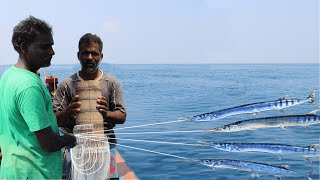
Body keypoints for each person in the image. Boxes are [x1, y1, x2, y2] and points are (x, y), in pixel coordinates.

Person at [0, 16, 77, 179]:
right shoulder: (29, 85)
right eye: (44, 47)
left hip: (13, 170)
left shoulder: (9, 75)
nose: (52, 51)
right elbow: (48, 143)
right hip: (34, 173)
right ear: (24, 48)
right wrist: (68, 140)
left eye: (51, 46)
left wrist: (63, 115)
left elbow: (25, 123)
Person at [53, 33, 126, 179]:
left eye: (94, 53)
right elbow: (54, 119)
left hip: (106, 144)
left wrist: (107, 114)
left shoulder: (111, 83)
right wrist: (67, 112)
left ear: (101, 56)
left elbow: (122, 115)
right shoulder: (67, 85)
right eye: (85, 53)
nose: (90, 57)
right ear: (78, 55)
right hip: (76, 146)